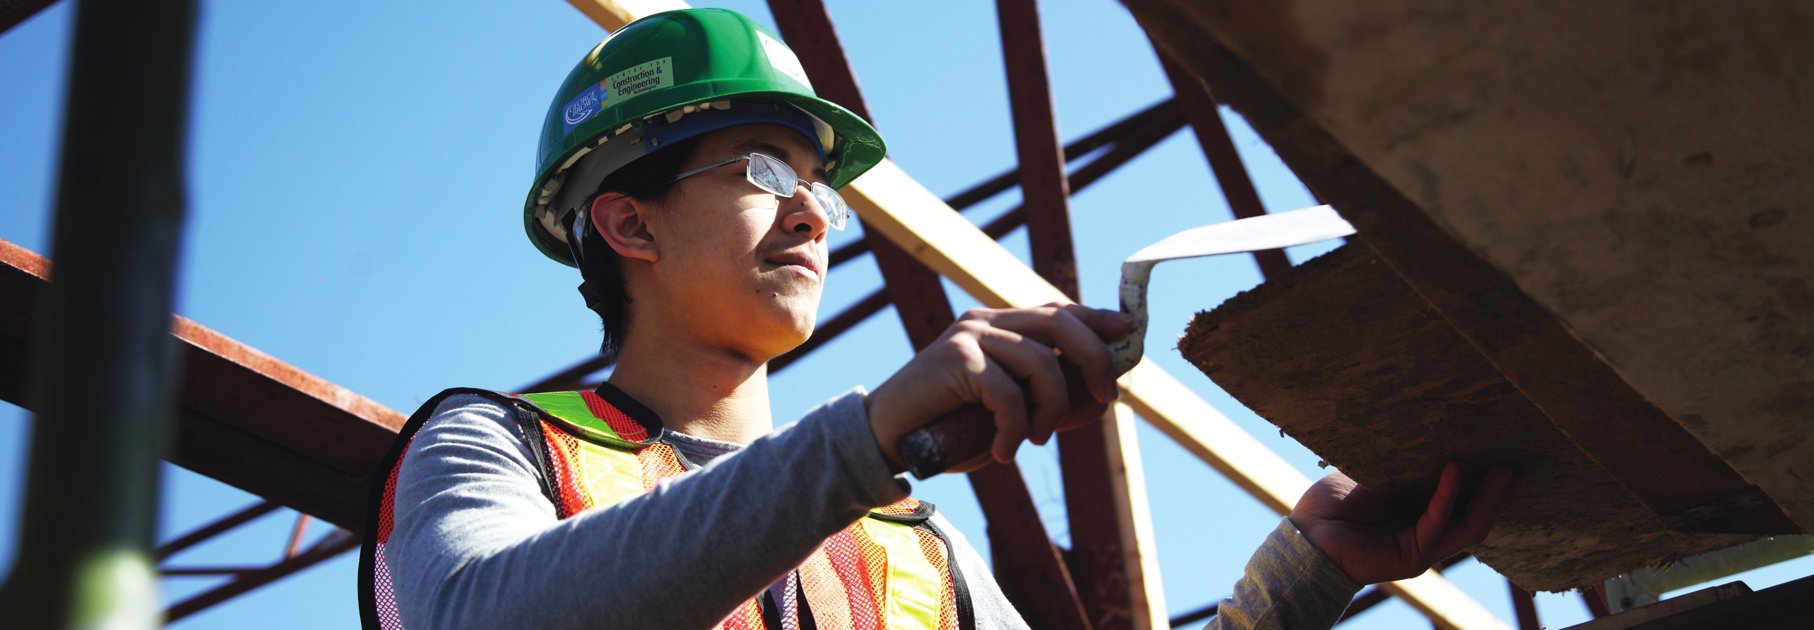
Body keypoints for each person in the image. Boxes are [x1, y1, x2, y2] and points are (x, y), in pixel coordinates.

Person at [357, 8, 1519, 630]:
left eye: (820, 182)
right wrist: (864, 436)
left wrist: (1302, 578)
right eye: (763, 169)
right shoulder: (498, 448)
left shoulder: (906, 550)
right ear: (630, 226)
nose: (814, 214)